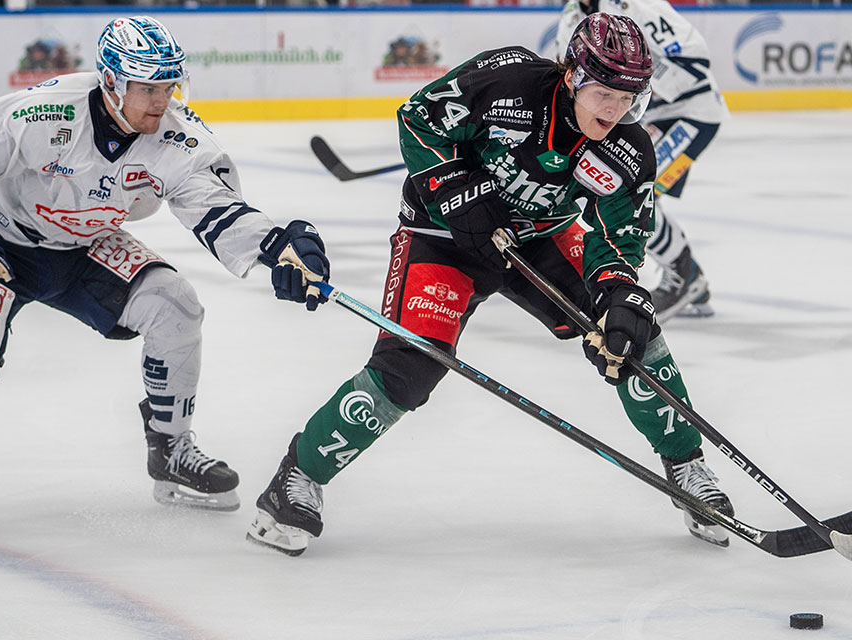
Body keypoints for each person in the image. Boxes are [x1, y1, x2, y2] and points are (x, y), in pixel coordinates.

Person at [247, 13, 733, 557]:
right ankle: (297, 478)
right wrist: (455, 186)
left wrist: (620, 291)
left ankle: (688, 467)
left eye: (628, 99)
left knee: (627, 333)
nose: (615, 111)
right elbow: (420, 118)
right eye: (604, 94)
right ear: (572, 75)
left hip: (541, 236)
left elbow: (619, 236)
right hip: (441, 233)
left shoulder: (627, 148)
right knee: (410, 367)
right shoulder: (507, 83)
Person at [0, 16, 330, 511]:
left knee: (175, 306)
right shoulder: (43, 112)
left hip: (85, 247)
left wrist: (279, 247)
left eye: (169, 84)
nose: (162, 100)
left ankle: (170, 448)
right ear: (111, 82)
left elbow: (217, 208)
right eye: (147, 87)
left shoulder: (179, 139)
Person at [556, 0, 728, 321]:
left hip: (690, 113)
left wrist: (632, 84)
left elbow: (695, 60)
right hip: (636, 115)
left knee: (639, 192)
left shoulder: (638, 6)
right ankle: (693, 280)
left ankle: (685, 275)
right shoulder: (571, 17)